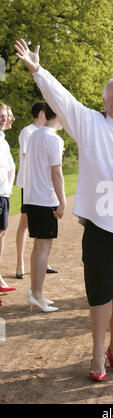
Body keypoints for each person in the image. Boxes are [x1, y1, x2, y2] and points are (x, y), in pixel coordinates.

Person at [14, 38, 113, 382]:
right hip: (102, 228)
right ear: (105, 102)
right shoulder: (90, 123)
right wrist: (37, 69)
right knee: (101, 296)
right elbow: (62, 97)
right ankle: (97, 354)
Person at [23, 103, 66, 314]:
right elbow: (56, 174)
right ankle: (37, 294)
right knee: (43, 248)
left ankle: (36, 293)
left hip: (32, 198)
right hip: (44, 199)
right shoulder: (54, 138)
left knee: (38, 247)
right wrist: (62, 200)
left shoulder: (35, 135)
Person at [15, 100, 58, 279]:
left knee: (38, 230)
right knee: (25, 224)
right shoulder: (28, 132)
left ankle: (42, 262)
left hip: (41, 187)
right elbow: (28, 157)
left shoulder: (46, 133)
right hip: (30, 185)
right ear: (41, 113)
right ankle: (20, 263)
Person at [0, 103, 16, 297]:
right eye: (2, 115)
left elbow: (10, 167)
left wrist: (9, 189)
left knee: (2, 233)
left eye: (5, 115)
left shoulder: (3, 140)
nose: (5, 118)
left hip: (3, 195)